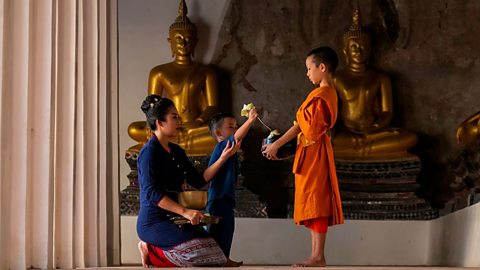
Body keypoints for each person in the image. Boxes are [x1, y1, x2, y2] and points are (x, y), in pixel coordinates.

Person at [136, 94, 241, 267]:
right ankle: (150, 248)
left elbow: (199, 180)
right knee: (200, 255)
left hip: (177, 219)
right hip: (154, 222)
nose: (179, 121)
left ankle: (159, 249)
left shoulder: (177, 151)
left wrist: (223, 157)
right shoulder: (148, 153)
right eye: (174, 117)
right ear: (160, 123)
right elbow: (152, 193)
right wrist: (185, 212)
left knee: (216, 254)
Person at [262, 46, 344, 267]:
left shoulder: (323, 94)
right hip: (312, 150)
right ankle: (316, 255)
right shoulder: (324, 93)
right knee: (311, 199)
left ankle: (318, 256)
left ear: (323, 67)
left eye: (309, 68)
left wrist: (277, 145)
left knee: (316, 201)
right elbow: (305, 127)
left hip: (315, 151)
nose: (308, 73)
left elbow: (306, 129)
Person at [128, 0, 219, 155]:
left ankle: (174, 142)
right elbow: (153, 106)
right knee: (134, 129)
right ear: (170, 42)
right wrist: (161, 125)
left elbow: (213, 107)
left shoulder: (206, 72)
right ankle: (177, 141)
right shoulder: (159, 72)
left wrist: (197, 122)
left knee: (225, 131)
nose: (183, 43)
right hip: (168, 127)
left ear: (195, 41)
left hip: (195, 128)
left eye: (187, 39)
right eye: (178, 38)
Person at [332, 6, 417, 158]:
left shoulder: (380, 78)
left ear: (370, 49)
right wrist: (333, 128)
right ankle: (364, 146)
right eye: (354, 47)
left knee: (410, 138)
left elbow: (387, 112)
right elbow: (331, 111)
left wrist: (376, 127)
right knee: (323, 138)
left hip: (373, 131)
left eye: (363, 46)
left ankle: (360, 147)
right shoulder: (336, 77)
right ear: (345, 51)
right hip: (346, 132)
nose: (359, 50)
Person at [206, 108, 258, 266]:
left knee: (227, 229)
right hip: (219, 197)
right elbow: (235, 138)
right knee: (219, 230)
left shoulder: (230, 151)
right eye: (230, 127)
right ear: (218, 133)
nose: (235, 130)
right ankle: (216, 259)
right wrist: (250, 121)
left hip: (225, 197)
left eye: (236, 127)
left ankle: (222, 258)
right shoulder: (222, 146)